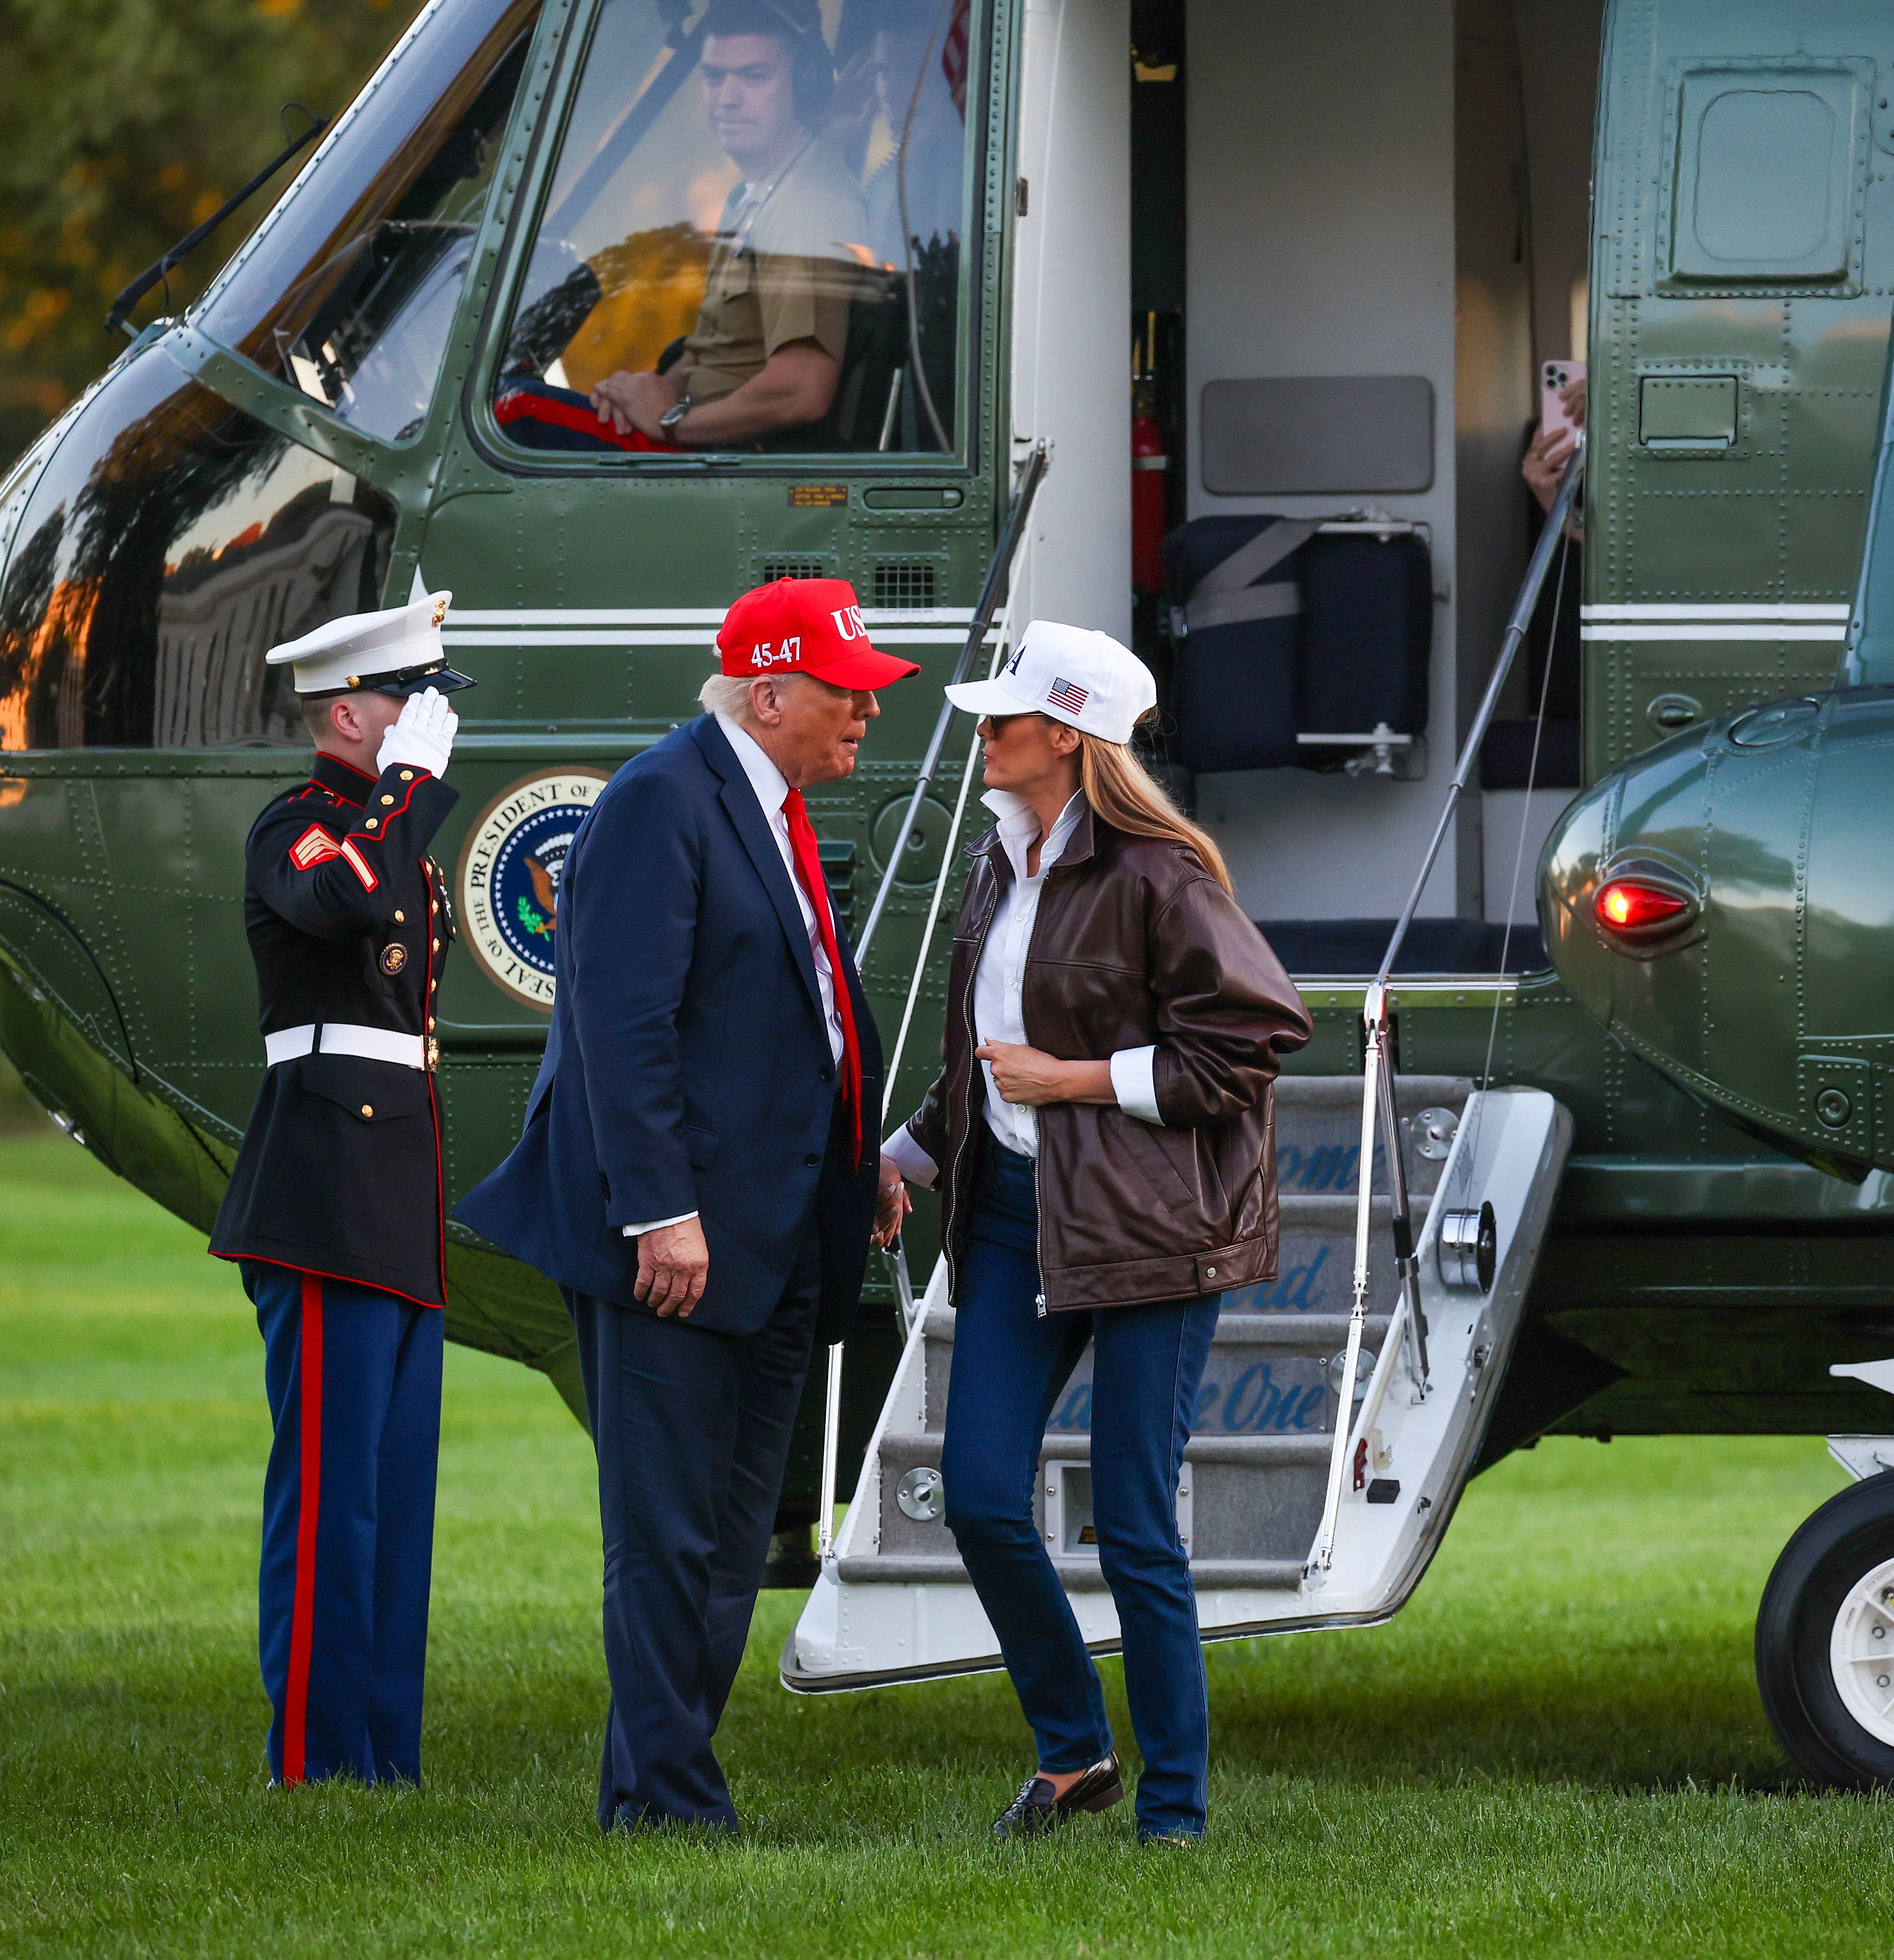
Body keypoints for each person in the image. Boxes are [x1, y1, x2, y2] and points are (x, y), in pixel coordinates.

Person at [455, 576, 912, 1832]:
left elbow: (790, 1020)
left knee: (724, 1535)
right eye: (846, 693)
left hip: (767, 1233)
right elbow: (621, 1023)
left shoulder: (764, 801)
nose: (864, 717)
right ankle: (664, 1799)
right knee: (668, 1535)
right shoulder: (665, 796)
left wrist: (852, 1156)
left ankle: (653, 1786)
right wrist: (658, 1208)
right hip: (682, 1243)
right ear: (769, 694)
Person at [882, 623, 1312, 1846]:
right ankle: (1075, 1749)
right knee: (976, 1495)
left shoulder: (1161, 876)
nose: (982, 733)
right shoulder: (996, 863)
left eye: (1002, 718)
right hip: (1022, 1221)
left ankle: (1174, 1810)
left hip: (1155, 1232)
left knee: (1132, 1523)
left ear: (1065, 737)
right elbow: (987, 1058)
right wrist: (905, 1158)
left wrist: (1072, 1082)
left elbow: (1251, 1045)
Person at [206, 591, 474, 1787]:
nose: (437, 725)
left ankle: (384, 1759)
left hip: (394, 1194)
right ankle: (313, 1760)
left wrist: (401, 798)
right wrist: (404, 790)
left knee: (394, 1501)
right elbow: (345, 899)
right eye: (417, 702)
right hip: (323, 1196)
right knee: (327, 1499)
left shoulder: (380, 826)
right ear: (356, 713)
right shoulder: (301, 825)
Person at [589, 1, 869, 448]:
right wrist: (639, 393)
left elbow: (802, 390)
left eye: (755, 76)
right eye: (713, 77)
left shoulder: (805, 206)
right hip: (699, 445)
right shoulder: (755, 195)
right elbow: (713, 351)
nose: (727, 99)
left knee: (517, 416)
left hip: (727, 461)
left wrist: (670, 421)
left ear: (806, 85)